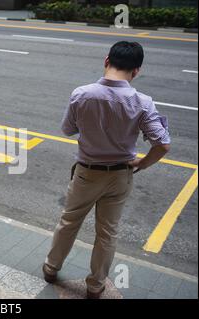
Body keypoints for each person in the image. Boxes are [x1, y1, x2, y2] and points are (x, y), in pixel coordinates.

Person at [42, 41, 171, 299]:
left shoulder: (82, 94)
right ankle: (95, 285)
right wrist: (142, 163)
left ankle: (51, 268)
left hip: (87, 173)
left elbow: (67, 129)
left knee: (68, 222)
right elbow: (163, 145)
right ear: (136, 71)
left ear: (106, 61)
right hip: (120, 175)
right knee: (108, 232)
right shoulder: (143, 102)